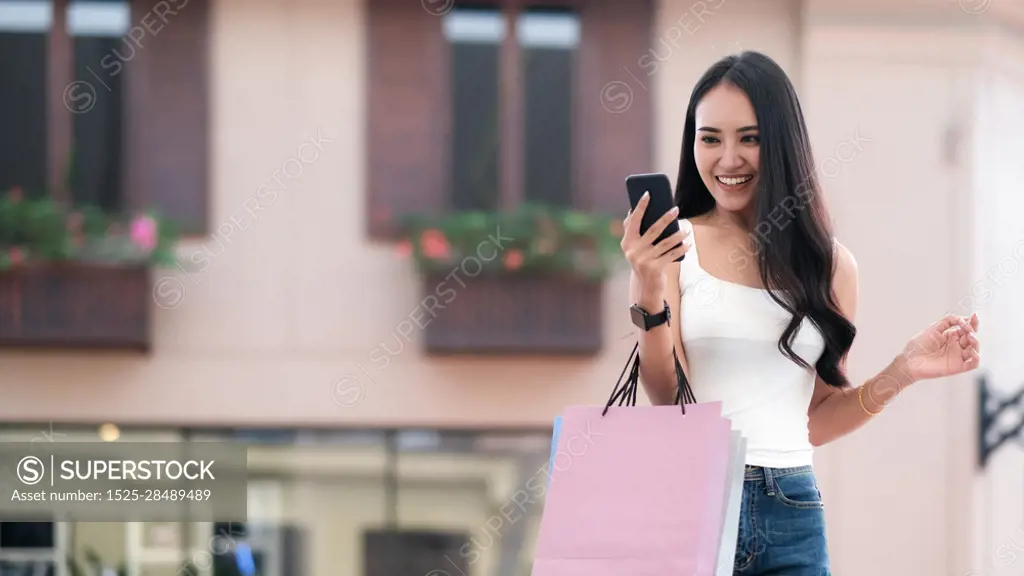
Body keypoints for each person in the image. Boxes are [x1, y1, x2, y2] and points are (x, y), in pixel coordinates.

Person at [620, 51, 981, 575]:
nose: (727, 159)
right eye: (710, 138)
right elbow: (667, 396)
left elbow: (815, 420)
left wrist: (903, 371)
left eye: (750, 137)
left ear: (782, 141)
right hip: (696, 501)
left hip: (792, 509)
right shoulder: (675, 248)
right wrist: (649, 289)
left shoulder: (832, 266)